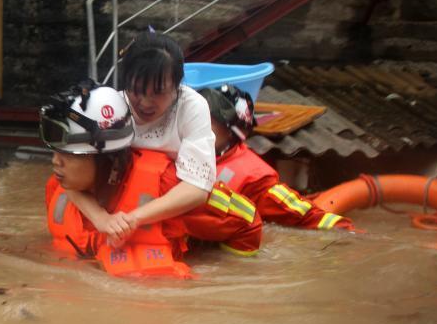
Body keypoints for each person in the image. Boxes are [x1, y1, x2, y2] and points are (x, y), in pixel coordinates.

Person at [41, 81, 263, 279]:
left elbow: (247, 221)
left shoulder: (166, 184)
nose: (55, 162)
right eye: (55, 152)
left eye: (69, 154)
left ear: (106, 158)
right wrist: (100, 218)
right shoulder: (59, 186)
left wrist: (228, 270)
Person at [64, 32, 218, 247]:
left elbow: (198, 188)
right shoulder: (109, 108)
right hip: (112, 210)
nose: (145, 102)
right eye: (136, 90)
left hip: (165, 208)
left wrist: (133, 219)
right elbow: (67, 174)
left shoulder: (192, 107)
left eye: (158, 92)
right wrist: (102, 219)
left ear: (176, 85)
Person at [199, 84, 356, 231]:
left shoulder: (256, 181)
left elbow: (310, 218)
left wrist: (347, 236)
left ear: (232, 132)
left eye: (207, 121)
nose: (194, 126)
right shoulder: (181, 154)